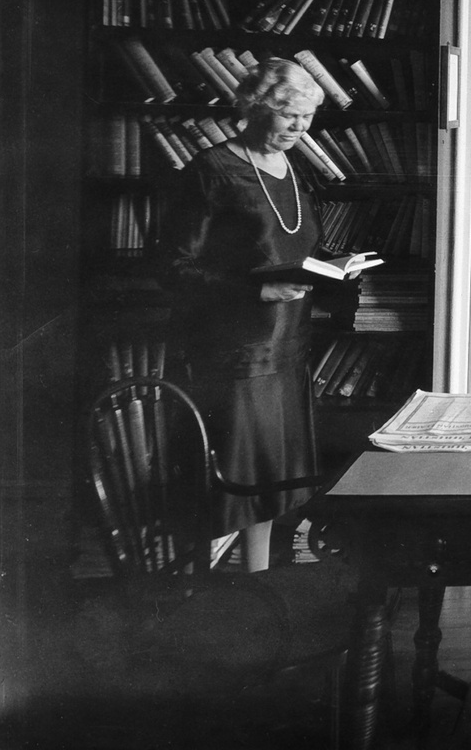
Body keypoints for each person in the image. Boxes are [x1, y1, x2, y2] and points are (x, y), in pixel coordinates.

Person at [159, 58, 326, 573]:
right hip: (234, 354)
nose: (300, 129)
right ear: (255, 110)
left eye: (307, 118)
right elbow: (172, 267)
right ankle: (200, 596)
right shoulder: (212, 170)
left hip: (286, 349)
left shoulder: (290, 167)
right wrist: (257, 292)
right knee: (232, 482)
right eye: (289, 116)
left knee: (272, 482)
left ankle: (256, 582)